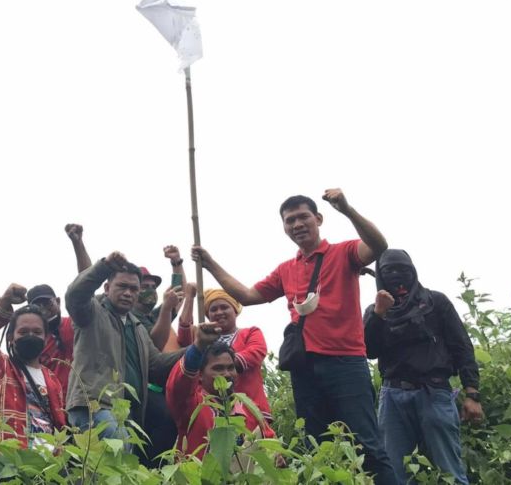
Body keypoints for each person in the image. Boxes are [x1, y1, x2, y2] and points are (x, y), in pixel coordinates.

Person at [192, 189, 398, 484]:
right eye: (290, 221)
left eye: (303, 217)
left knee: (367, 443)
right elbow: (248, 296)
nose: (297, 224)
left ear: (319, 219)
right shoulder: (286, 269)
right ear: (285, 227)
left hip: (346, 363)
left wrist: (347, 209)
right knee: (315, 445)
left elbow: (378, 246)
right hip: (305, 368)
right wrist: (210, 263)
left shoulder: (344, 252)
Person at [365, 249, 484, 484]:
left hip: (435, 392)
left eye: (403, 270)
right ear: (380, 275)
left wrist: (472, 393)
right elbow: (369, 351)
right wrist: (378, 314)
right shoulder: (375, 310)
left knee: (451, 471)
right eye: (389, 270)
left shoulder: (435, 302)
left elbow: (462, 346)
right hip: (393, 397)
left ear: (413, 271)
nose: (397, 275)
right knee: (393, 474)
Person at [64, 251, 183, 452]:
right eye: (122, 286)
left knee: (116, 470)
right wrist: (104, 266)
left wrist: (198, 347)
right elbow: (76, 294)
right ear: (107, 287)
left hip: (126, 413)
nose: (128, 293)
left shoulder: (137, 328)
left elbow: (157, 366)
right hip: (94, 405)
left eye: (134, 289)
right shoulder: (92, 313)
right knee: (119, 451)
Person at [0, 283, 67, 449]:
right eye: (23, 332)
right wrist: (4, 303)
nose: (30, 336)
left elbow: (59, 425)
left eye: (37, 332)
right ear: (11, 337)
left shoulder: (52, 379)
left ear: (46, 337)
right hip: (8, 463)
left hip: (48, 468)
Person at [166, 322, 275, 463]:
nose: (227, 374)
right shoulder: (193, 405)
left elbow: (270, 442)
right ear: (200, 375)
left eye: (231, 367)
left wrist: (275, 457)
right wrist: (198, 346)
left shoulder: (250, 408)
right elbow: (178, 386)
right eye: (218, 368)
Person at [177, 288, 272, 424]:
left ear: (235, 310)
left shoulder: (251, 332)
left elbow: (256, 352)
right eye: (213, 309)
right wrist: (190, 297)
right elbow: (183, 336)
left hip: (250, 410)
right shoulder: (201, 338)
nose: (219, 312)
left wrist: (215, 365)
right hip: (211, 411)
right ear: (208, 315)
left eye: (224, 307)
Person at [26, 283, 74, 401]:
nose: (44, 310)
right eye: (37, 308)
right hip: (54, 406)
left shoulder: (74, 324)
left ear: (58, 301)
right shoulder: (33, 344)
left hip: (84, 401)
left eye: (48, 304)